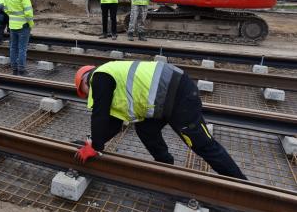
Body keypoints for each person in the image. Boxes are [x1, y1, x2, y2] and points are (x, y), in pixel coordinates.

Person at [73, 61, 247, 180]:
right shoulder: (109, 76)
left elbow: (99, 114)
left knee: (202, 145)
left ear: (84, 82)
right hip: (164, 98)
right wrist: (95, 142)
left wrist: (95, 146)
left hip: (178, 94)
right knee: (145, 129)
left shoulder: (100, 77)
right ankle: (166, 165)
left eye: (84, 92)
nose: (88, 97)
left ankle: (240, 184)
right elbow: (113, 124)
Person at [3, 0, 34, 76]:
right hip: (23, 25)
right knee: (22, 48)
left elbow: (5, 8)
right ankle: (21, 69)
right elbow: (28, 12)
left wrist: (12, 17)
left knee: (13, 47)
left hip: (12, 25)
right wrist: (31, 24)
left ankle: (14, 69)